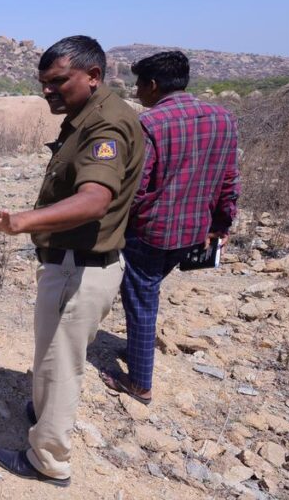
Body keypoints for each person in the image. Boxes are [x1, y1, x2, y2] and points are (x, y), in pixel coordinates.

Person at [0, 35, 144, 487]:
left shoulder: (105, 127)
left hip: (80, 267)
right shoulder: (87, 115)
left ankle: (49, 460)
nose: (48, 91)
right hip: (72, 264)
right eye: (43, 82)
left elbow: (94, 200)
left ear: (94, 76)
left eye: (58, 82)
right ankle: (42, 415)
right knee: (49, 355)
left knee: (61, 367)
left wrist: (18, 222)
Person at [99, 51, 240, 404]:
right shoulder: (223, 118)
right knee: (146, 292)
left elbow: (135, 186)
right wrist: (222, 223)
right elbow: (229, 179)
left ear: (152, 85)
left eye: (139, 86)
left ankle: (140, 383)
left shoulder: (150, 124)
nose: (137, 92)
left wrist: (110, 226)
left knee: (142, 300)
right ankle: (139, 348)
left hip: (152, 231)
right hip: (194, 229)